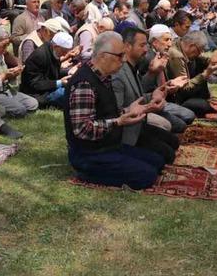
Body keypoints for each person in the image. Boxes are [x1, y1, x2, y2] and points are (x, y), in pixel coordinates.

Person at [64, 31, 167, 190]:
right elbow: (83, 129)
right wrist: (119, 121)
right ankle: (86, 174)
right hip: (89, 154)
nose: (124, 60)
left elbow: (106, 114)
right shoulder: (84, 83)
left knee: (158, 161)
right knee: (147, 176)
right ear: (103, 56)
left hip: (108, 145)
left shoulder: (104, 76)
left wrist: (128, 110)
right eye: (120, 55)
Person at [114, 27, 193, 138]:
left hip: (152, 104)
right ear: (127, 46)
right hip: (134, 120)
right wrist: (149, 105)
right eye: (142, 45)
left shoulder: (137, 62)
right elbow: (120, 111)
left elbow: (139, 91)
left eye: (146, 45)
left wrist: (162, 89)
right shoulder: (125, 68)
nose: (146, 49)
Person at [0, 27, 39, 119]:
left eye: (7, 45)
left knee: (33, 103)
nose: (6, 49)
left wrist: (13, 74)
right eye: (4, 45)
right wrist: (4, 76)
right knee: (20, 110)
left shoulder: (0, 54)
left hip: (5, 91)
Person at [20, 31, 75, 107]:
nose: (65, 54)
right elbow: (35, 84)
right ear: (56, 46)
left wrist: (69, 72)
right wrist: (60, 83)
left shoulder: (53, 52)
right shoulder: (40, 56)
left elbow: (52, 73)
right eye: (64, 51)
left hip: (48, 90)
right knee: (67, 93)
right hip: (37, 94)